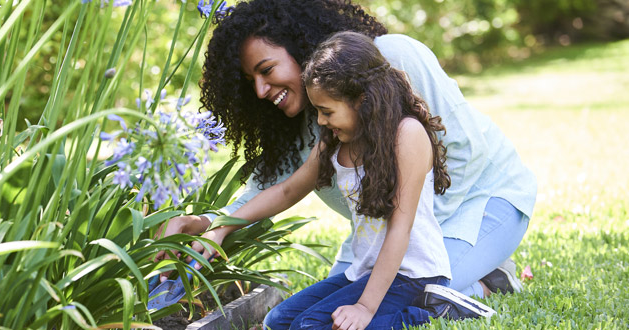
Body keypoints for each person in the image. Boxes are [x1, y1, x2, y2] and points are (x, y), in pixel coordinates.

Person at [155, 0, 535, 302]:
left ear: (301, 47)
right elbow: (272, 189)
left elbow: (467, 152)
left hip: (485, 201)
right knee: (338, 303)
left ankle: (488, 283)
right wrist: (210, 225)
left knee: (405, 295)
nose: (260, 90)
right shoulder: (313, 118)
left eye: (267, 70)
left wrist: (406, 246)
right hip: (387, 238)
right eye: (251, 80)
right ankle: (466, 271)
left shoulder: (392, 58)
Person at [212, 30, 496, 329]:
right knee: (279, 320)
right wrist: (221, 226)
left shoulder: (406, 135)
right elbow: (287, 191)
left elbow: (400, 228)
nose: (320, 121)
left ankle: (436, 311)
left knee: (309, 325)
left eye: (326, 111)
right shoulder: (335, 140)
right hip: (365, 272)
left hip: (412, 274)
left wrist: (364, 307)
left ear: (361, 100)